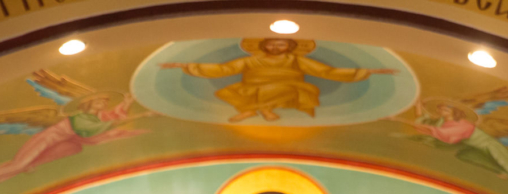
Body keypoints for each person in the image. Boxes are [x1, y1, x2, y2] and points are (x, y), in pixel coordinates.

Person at [162, 38, 396, 122]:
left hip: (290, 86)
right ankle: (259, 108)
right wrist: (188, 66)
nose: (276, 46)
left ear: (290, 45)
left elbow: (327, 72)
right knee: (225, 92)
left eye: (281, 43)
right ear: (264, 45)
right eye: (272, 43)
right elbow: (223, 69)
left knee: (289, 88)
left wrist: (365, 72)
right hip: (251, 87)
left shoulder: (296, 61)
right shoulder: (252, 60)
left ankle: (259, 108)